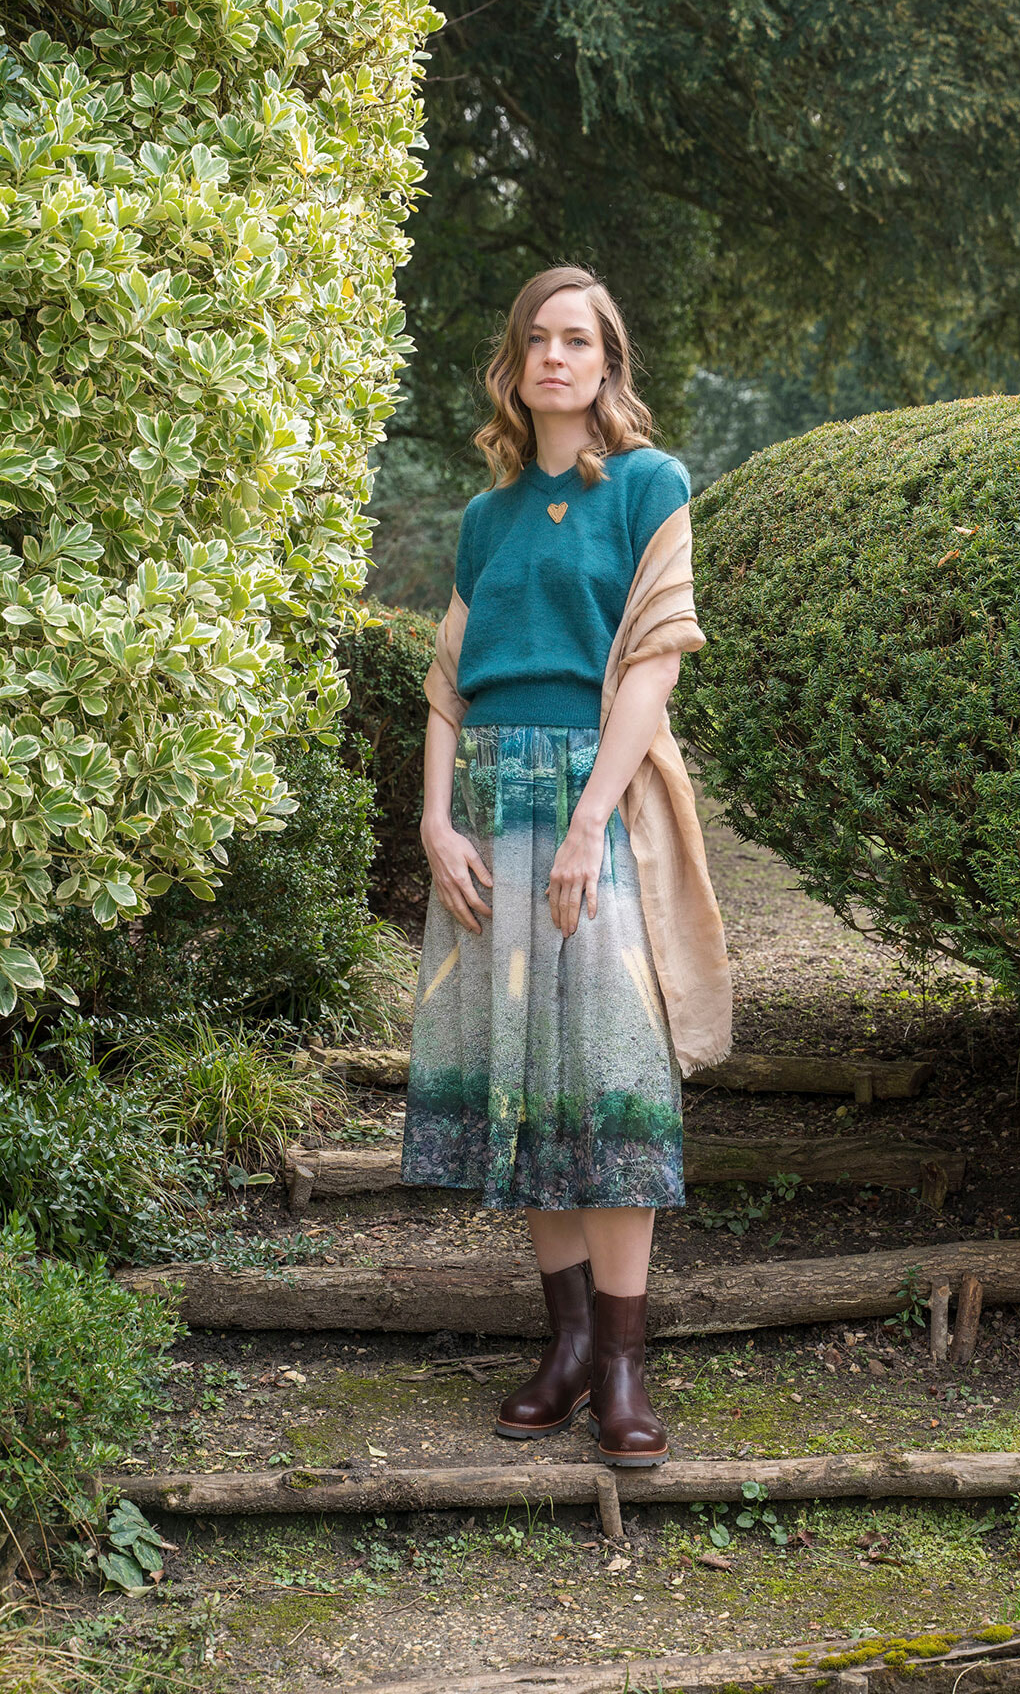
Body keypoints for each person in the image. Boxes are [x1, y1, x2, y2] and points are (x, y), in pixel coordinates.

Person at [399, 265, 731, 1467]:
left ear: (606, 363)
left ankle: (627, 1367)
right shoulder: (485, 518)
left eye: (577, 340)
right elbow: (447, 684)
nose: (555, 356)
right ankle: (572, 1345)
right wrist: (435, 825)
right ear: (515, 363)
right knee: (525, 1081)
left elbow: (652, 664)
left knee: (610, 1071)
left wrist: (590, 820)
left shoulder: (650, 485)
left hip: (598, 803)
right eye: (537, 338)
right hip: (489, 811)